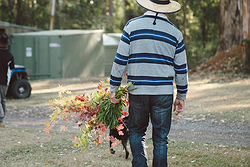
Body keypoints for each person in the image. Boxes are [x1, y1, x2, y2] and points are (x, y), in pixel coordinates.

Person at [109, 0, 188, 166]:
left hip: (138, 91)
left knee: (137, 132)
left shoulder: (132, 26)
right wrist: (181, 95)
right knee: (160, 138)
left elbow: (120, 60)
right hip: (164, 93)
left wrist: (113, 87)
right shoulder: (175, 33)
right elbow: (181, 69)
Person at [0, 33, 15, 127]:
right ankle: (2, 119)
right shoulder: (10, 55)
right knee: (3, 100)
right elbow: (11, 70)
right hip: (3, 81)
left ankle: (1, 119)